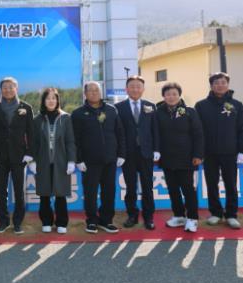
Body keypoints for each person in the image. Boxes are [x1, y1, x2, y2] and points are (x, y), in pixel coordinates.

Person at [194, 72, 243, 230]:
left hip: (230, 152)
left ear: (228, 84)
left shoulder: (237, 105)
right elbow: (197, 131)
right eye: (216, 83)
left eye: (223, 82)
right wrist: (199, 152)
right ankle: (216, 213)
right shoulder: (201, 105)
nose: (220, 85)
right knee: (211, 184)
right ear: (211, 85)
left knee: (231, 184)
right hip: (209, 153)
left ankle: (231, 214)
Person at [72, 81, 125, 234]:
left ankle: (106, 220)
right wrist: (78, 159)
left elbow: (120, 133)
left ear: (101, 92)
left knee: (109, 192)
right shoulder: (78, 113)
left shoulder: (111, 110)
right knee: (90, 193)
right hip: (89, 162)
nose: (94, 93)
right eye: (91, 90)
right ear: (85, 93)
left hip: (110, 160)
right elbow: (75, 139)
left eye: (97, 90)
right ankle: (91, 221)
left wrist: (121, 154)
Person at [0, 77, 34, 235]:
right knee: (0, 191)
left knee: (19, 191)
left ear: (16, 89)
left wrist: (29, 153)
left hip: (19, 156)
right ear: (1, 90)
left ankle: (18, 222)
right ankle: (3, 221)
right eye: (5, 87)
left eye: (11, 87)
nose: (8, 90)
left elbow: (31, 133)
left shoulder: (26, 108)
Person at [155, 82, 204, 233]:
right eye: (168, 94)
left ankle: (192, 218)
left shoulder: (189, 111)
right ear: (163, 96)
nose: (171, 97)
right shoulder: (158, 112)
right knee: (172, 189)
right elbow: (155, 134)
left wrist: (198, 154)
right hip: (167, 157)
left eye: (174, 94)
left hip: (186, 157)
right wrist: (156, 152)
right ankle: (179, 215)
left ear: (179, 95)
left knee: (188, 189)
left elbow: (198, 134)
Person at [116, 75, 160, 230]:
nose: (135, 89)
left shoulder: (150, 106)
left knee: (148, 187)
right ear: (126, 89)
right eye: (132, 86)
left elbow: (155, 130)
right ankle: (132, 216)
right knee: (130, 187)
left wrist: (156, 149)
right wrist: (119, 153)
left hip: (146, 153)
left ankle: (149, 217)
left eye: (138, 86)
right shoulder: (118, 107)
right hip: (127, 155)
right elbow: (117, 132)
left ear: (143, 89)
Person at [29, 87, 76, 234]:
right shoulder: (37, 120)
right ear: (43, 101)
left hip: (61, 162)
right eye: (48, 98)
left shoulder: (66, 118)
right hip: (43, 161)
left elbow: (70, 141)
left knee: (60, 194)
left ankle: (61, 222)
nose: (51, 101)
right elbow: (33, 142)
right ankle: (46, 221)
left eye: (53, 98)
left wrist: (71, 160)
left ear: (57, 100)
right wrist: (33, 160)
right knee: (44, 194)